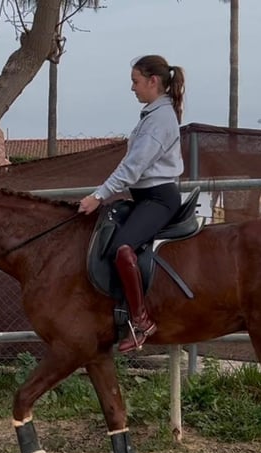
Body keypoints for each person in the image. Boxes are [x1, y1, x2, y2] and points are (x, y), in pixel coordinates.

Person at [78, 54, 185, 353]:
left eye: (136, 82)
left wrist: (98, 196)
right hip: (144, 196)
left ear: (153, 81)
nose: (132, 88)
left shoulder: (159, 120)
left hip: (159, 199)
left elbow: (132, 168)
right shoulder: (153, 115)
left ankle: (141, 321)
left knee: (122, 249)